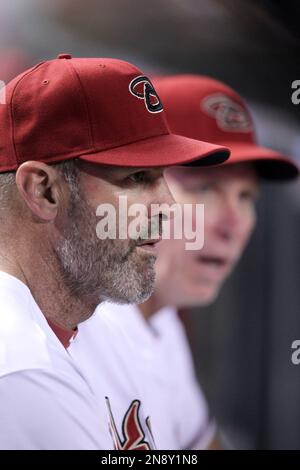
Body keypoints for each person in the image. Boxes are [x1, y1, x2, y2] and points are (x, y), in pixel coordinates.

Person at [0, 59, 230, 450]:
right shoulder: (21, 368)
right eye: (137, 178)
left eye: (164, 177)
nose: (169, 207)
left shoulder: (66, 325)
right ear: (43, 191)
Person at [89, 75, 298, 450]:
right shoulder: (77, 335)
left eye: (246, 196)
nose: (233, 224)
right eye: (204, 189)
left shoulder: (161, 321)